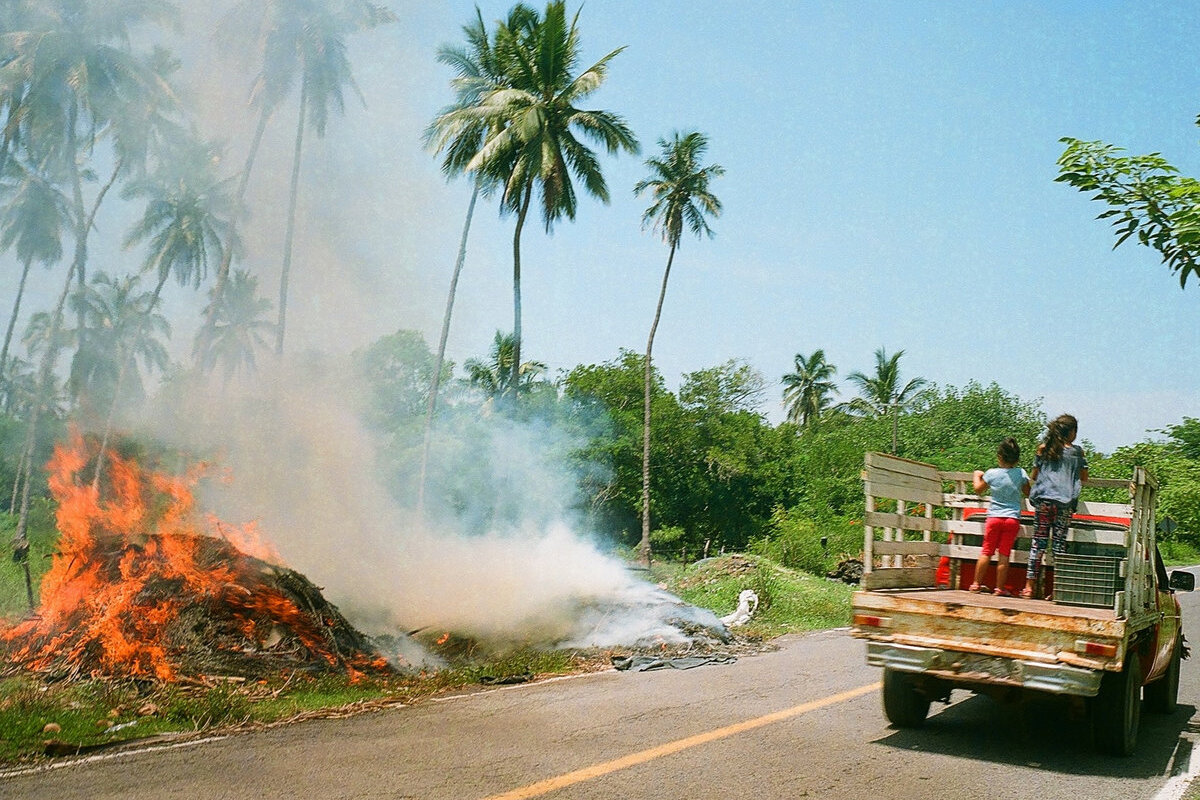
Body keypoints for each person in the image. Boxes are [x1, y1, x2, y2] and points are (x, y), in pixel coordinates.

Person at [1021, 414, 1089, 599]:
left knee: (1038, 543)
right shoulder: (1077, 452)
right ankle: (1057, 590)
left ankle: (1028, 587)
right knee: (1059, 546)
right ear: (1072, 432)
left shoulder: (1043, 449)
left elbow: (1034, 475)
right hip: (1065, 504)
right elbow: (1084, 477)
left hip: (1044, 501)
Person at [968, 437, 1030, 596]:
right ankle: (999, 588)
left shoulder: (991, 473)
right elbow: (1028, 492)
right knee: (1004, 555)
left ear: (999, 457)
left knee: (986, 551)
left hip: (994, 518)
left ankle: (976, 584)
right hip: (1011, 519)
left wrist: (977, 475)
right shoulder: (1020, 473)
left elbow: (978, 489)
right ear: (1017, 458)